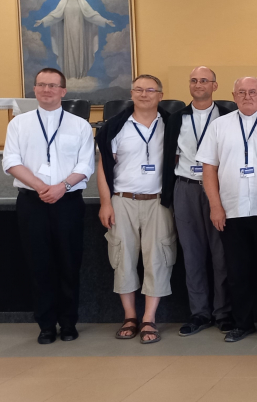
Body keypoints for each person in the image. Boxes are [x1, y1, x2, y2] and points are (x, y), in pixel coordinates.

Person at [197, 77, 257, 343]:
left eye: (253, 92)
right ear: (234, 96)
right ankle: (242, 323)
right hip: (232, 210)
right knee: (238, 271)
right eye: (242, 92)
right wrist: (215, 206)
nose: (247, 96)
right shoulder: (219, 126)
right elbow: (209, 169)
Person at [3, 68, 94, 344]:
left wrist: (61, 187)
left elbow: (85, 164)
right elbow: (11, 161)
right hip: (33, 202)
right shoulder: (19, 124)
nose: (46, 90)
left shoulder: (79, 125)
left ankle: (68, 323)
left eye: (53, 85)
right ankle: (45, 324)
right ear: (34, 89)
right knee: (38, 264)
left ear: (63, 91)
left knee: (69, 263)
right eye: (41, 85)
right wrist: (41, 187)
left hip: (68, 202)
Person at [95, 74, 176, 345]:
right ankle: (130, 316)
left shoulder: (172, 125)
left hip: (158, 201)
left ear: (160, 95)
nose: (144, 94)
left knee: (158, 258)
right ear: (131, 94)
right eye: (138, 89)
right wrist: (105, 202)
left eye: (150, 90)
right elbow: (103, 167)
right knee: (123, 257)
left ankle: (149, 318)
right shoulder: (115, 127)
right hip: (122, 200)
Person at [161, 66, 235, 337]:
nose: (198, 84)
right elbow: (169, 155)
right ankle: (199, 313)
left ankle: (223, 312)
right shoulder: (176, 118)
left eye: (204, 80)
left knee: (221, 254)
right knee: (192, 254)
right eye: (194, 80)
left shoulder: (227, 116)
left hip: (219, 189)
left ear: (215, 86)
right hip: (186, 188)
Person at [33, 0, 115, 79]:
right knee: (69, 53)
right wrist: (43, 21)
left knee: (79, 53)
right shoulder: (63, 2)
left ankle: (80, 76)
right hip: (68, 33)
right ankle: (69, 77)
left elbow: (92, 15)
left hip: (80, 33)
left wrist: (105, 21)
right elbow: (55, 15)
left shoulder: (82, 2)